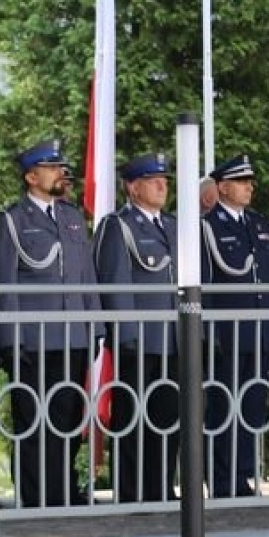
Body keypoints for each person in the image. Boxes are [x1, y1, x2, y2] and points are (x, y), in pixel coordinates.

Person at [0, 139, 103, 508]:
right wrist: (9, 340)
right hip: (33, 339)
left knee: (68, 417)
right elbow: (4, 284)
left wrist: (96, 327)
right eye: (52, 168)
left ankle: (64, 490)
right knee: (34, 420)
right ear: (31, 177)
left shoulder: (70, 217)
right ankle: (36, 496)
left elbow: (87, 276)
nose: (60, 173)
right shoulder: (13, 220)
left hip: (73, 335)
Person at [94, 152, 180, 504]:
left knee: (168, 415)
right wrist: (126, 334)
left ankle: (162, 486)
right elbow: (115, 280)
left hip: (173, 337)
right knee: (134, 418)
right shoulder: (119, 226)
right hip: (140, 338)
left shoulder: (174, 225)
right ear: (132, 186)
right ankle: (132, 490)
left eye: (165, 180)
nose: (163, 185)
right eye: (154, 180)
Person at [201, 153, 269, 498]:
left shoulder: (259, 225)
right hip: (226, 332)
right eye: (242, 181)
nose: (250, 187)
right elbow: (205, 283)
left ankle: (243, 472)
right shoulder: (208, 226)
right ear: (222, 187)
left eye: (250, 181)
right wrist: (209, 333)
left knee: (250, 404)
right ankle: (220, 478)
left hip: (257, 330)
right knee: (223, 405)